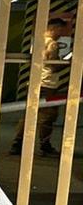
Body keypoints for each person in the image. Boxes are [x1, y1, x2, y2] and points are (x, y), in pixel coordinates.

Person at [11, 16, 73, 157]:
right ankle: (45, 146)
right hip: (48, 84)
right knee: (48, 117)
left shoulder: (37, 42)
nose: (61, 34)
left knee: (29, 115)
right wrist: (67, 61)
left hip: (35, 82)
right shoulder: (52, 44)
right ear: (54, 28)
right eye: (60, 31)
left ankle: (17, 144)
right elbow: (53, 66)